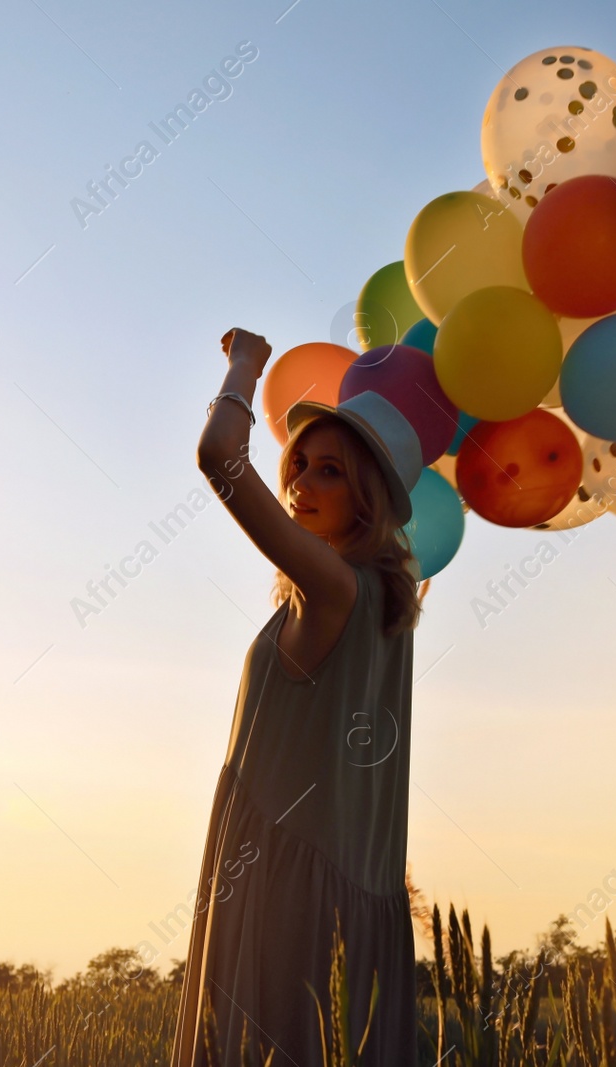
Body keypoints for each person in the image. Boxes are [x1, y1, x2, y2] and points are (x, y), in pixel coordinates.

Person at [170, 327, 428, 1066]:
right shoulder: (383, 605)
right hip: (347, 899)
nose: (300, 484)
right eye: (300, 465)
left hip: (284, 897)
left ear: (367, 498)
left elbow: (219, 457)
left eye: (330, 473)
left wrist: (245, 365)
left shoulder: (336, 590)